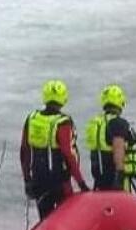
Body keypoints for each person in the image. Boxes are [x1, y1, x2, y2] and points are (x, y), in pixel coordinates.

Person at [21, 79, 89, 219]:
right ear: (63, 98)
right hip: (60, 182)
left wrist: (27, 180)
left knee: (45, 220)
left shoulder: (32, 118)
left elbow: (24, 151)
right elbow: (68, 154)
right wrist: (81, 183)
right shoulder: (63, 122)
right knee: (67, 219)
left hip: (38, 180)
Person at [85, 84, 136, 192]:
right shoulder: (118, 123)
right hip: (116, 179)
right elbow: (118, 148)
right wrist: (119, 177)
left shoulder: (98, 123)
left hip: (100, 179)